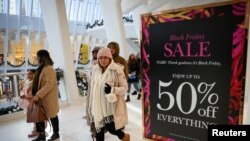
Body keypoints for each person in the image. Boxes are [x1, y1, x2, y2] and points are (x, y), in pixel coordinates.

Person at [87, 48, 130, 141]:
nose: (103, 60)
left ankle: (124, 136)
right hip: (97, 106)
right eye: (100, 58)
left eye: (105, 57)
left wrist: (113, 89)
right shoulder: (95, 70)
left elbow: (125, 88)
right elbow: (92, 88)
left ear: (110, 58)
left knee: (112, 129)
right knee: (99, 130)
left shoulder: (116, 69)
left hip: (110, 107)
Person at [31, 49, 60, 141]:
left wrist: (38, 95)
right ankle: (41, 135)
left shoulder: (49, 68)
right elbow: (37, 81)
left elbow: (49, 84)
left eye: (38, 56)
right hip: (41, 97)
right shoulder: (41, 68)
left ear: (42, 57)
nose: (37, 58)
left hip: (47, 98)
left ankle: (56, 134)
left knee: (52, 116)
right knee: (39, 117)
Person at [19, 69, 39, 137]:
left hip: (34, 101)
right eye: (28, 74)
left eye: (30, 74)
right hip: (28, 102)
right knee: (32, 116)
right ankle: (36, 128)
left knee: (36, 116)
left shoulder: (36, 82)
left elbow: (36, 93)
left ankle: (38, 130)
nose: (28, 75)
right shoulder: (27, 81)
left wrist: (28, 96)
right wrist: (22, 95)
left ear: (34, 74)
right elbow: (23, 89)